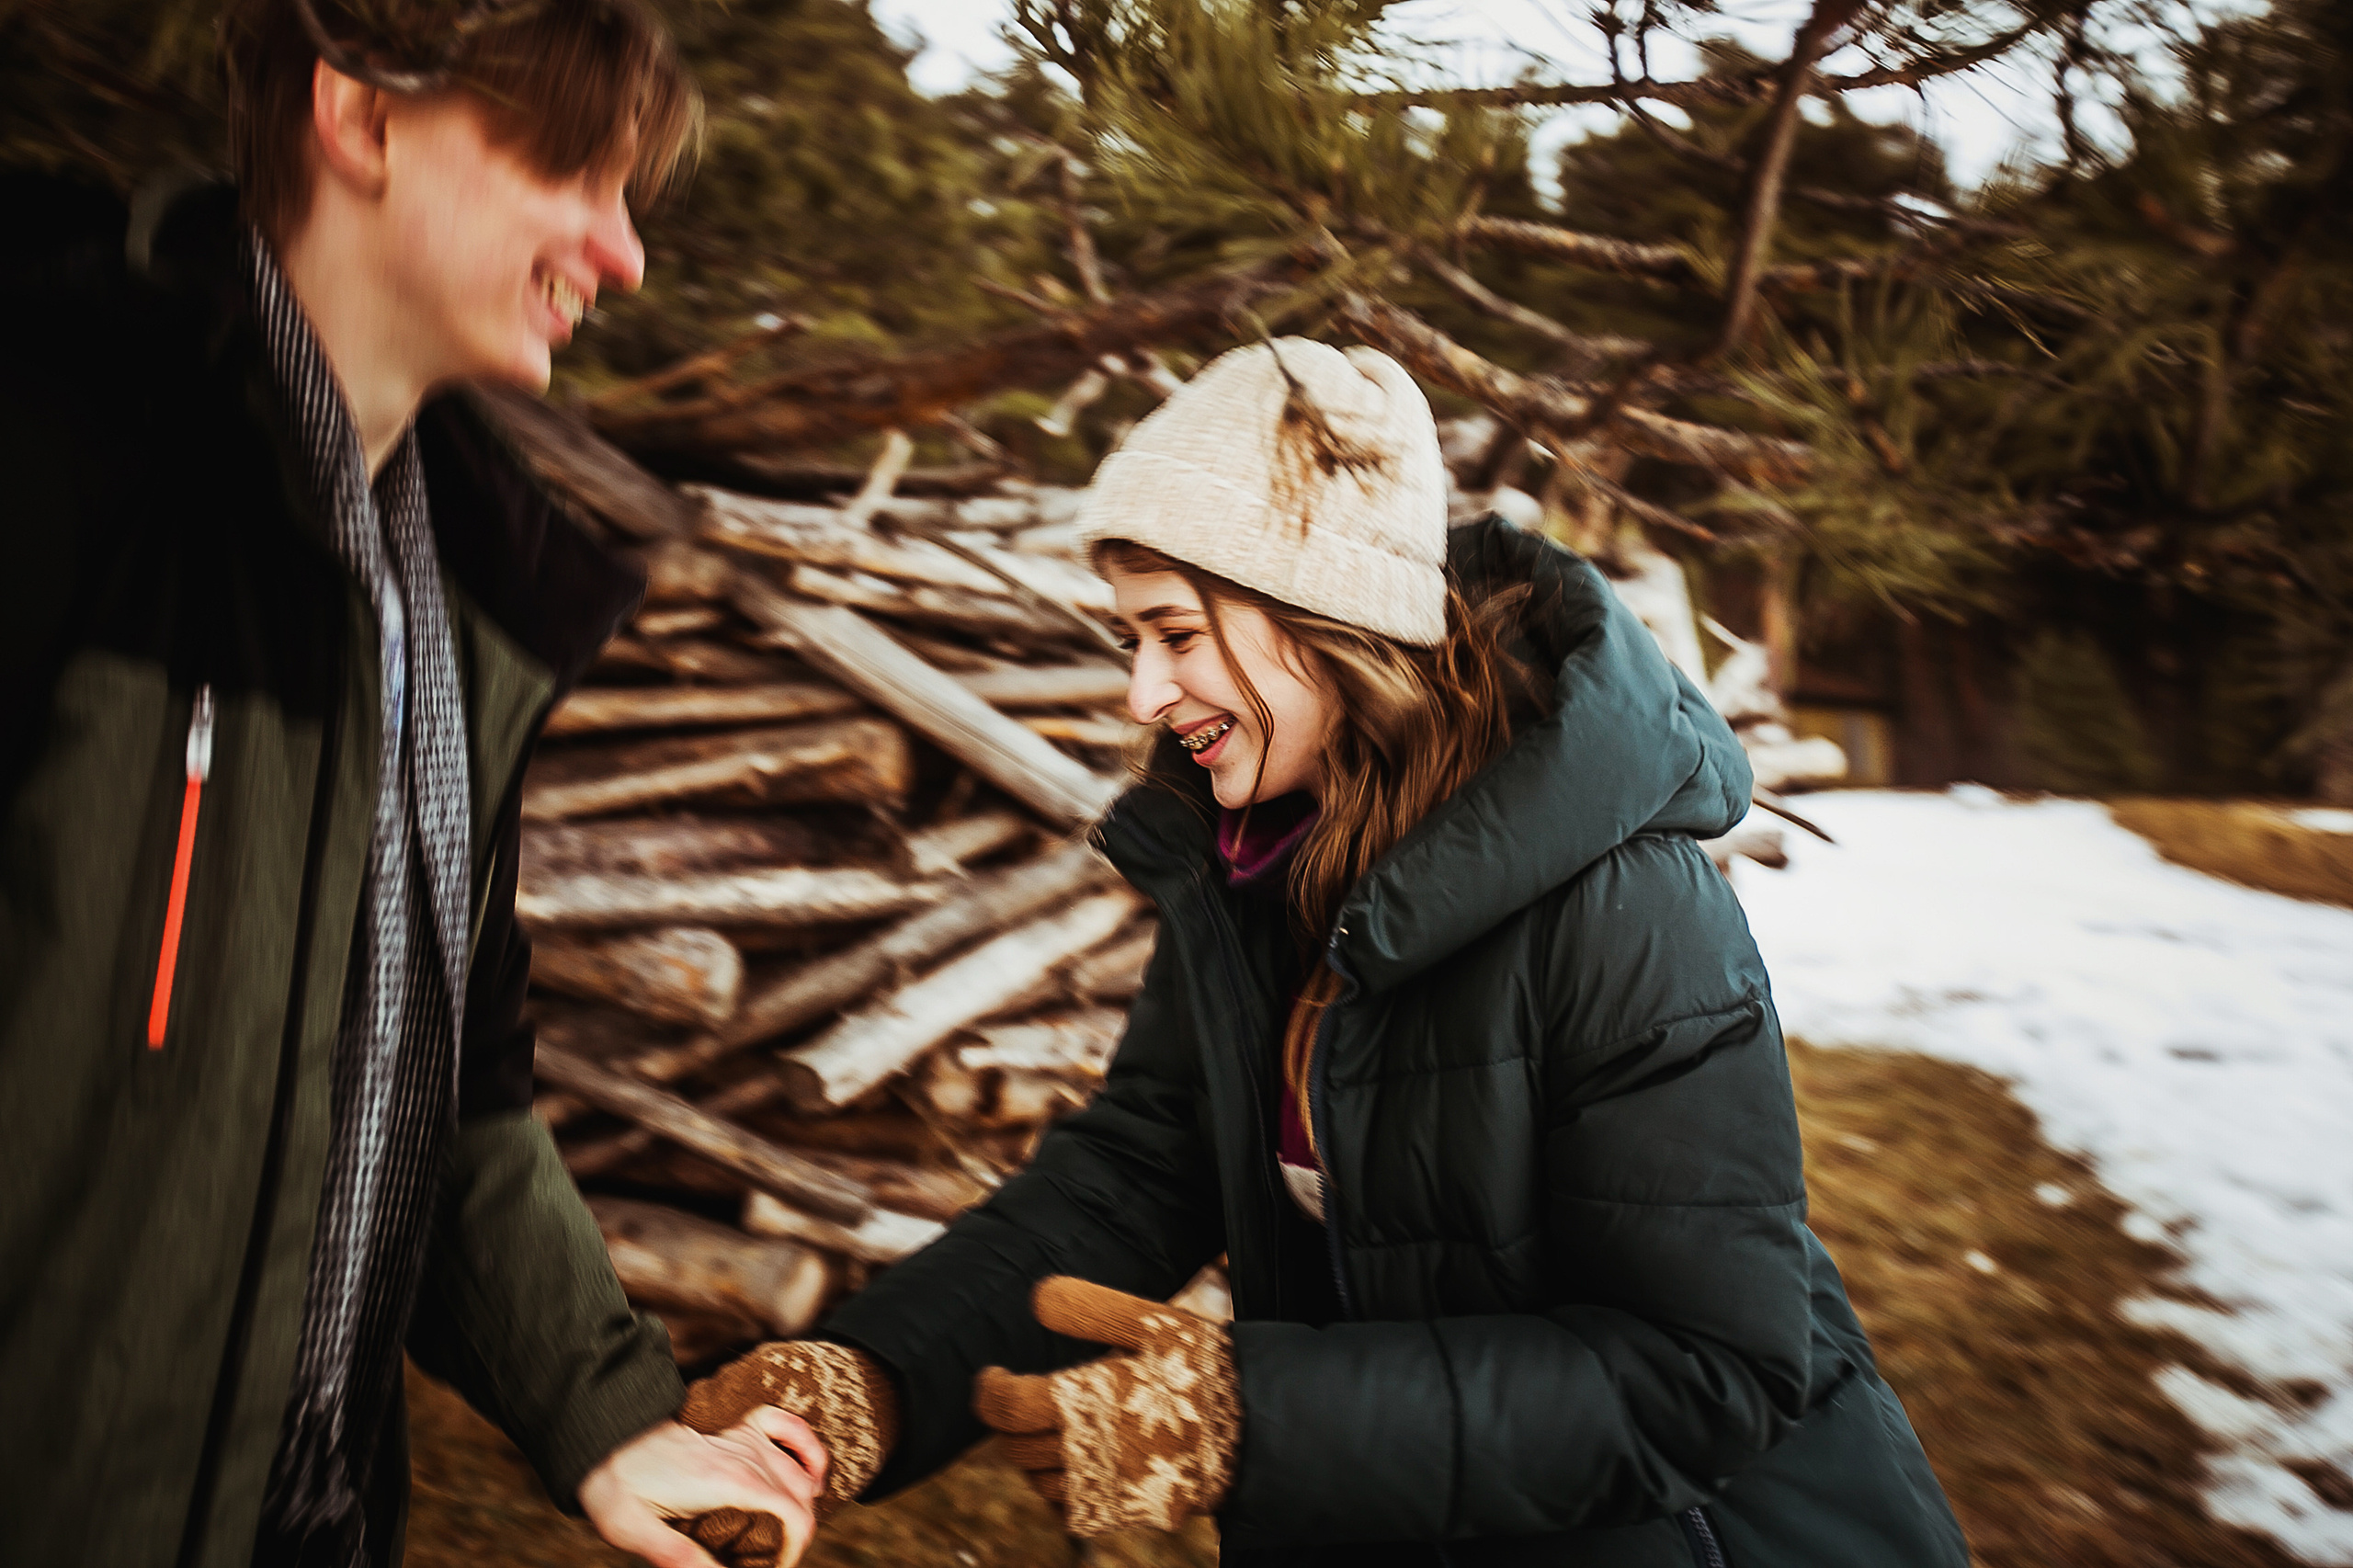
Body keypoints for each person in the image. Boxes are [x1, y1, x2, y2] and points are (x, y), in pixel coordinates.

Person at [682, 339, 1972, 1567]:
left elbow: (1705, 1371)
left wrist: (1252, 1418)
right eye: (1132, 636)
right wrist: (868, 1382)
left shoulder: (1623, 904)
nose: (1142, 692)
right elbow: (1137, 1171)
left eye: (1177, 633)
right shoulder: (1257, 868)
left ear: (1326, 617)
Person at [0, 3, 819, 1564]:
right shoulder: (54, 439)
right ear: (363, 118)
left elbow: (451, 1090)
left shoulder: (460, 606)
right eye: (574, 169)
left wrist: (606, 1409)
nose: (623, 249)